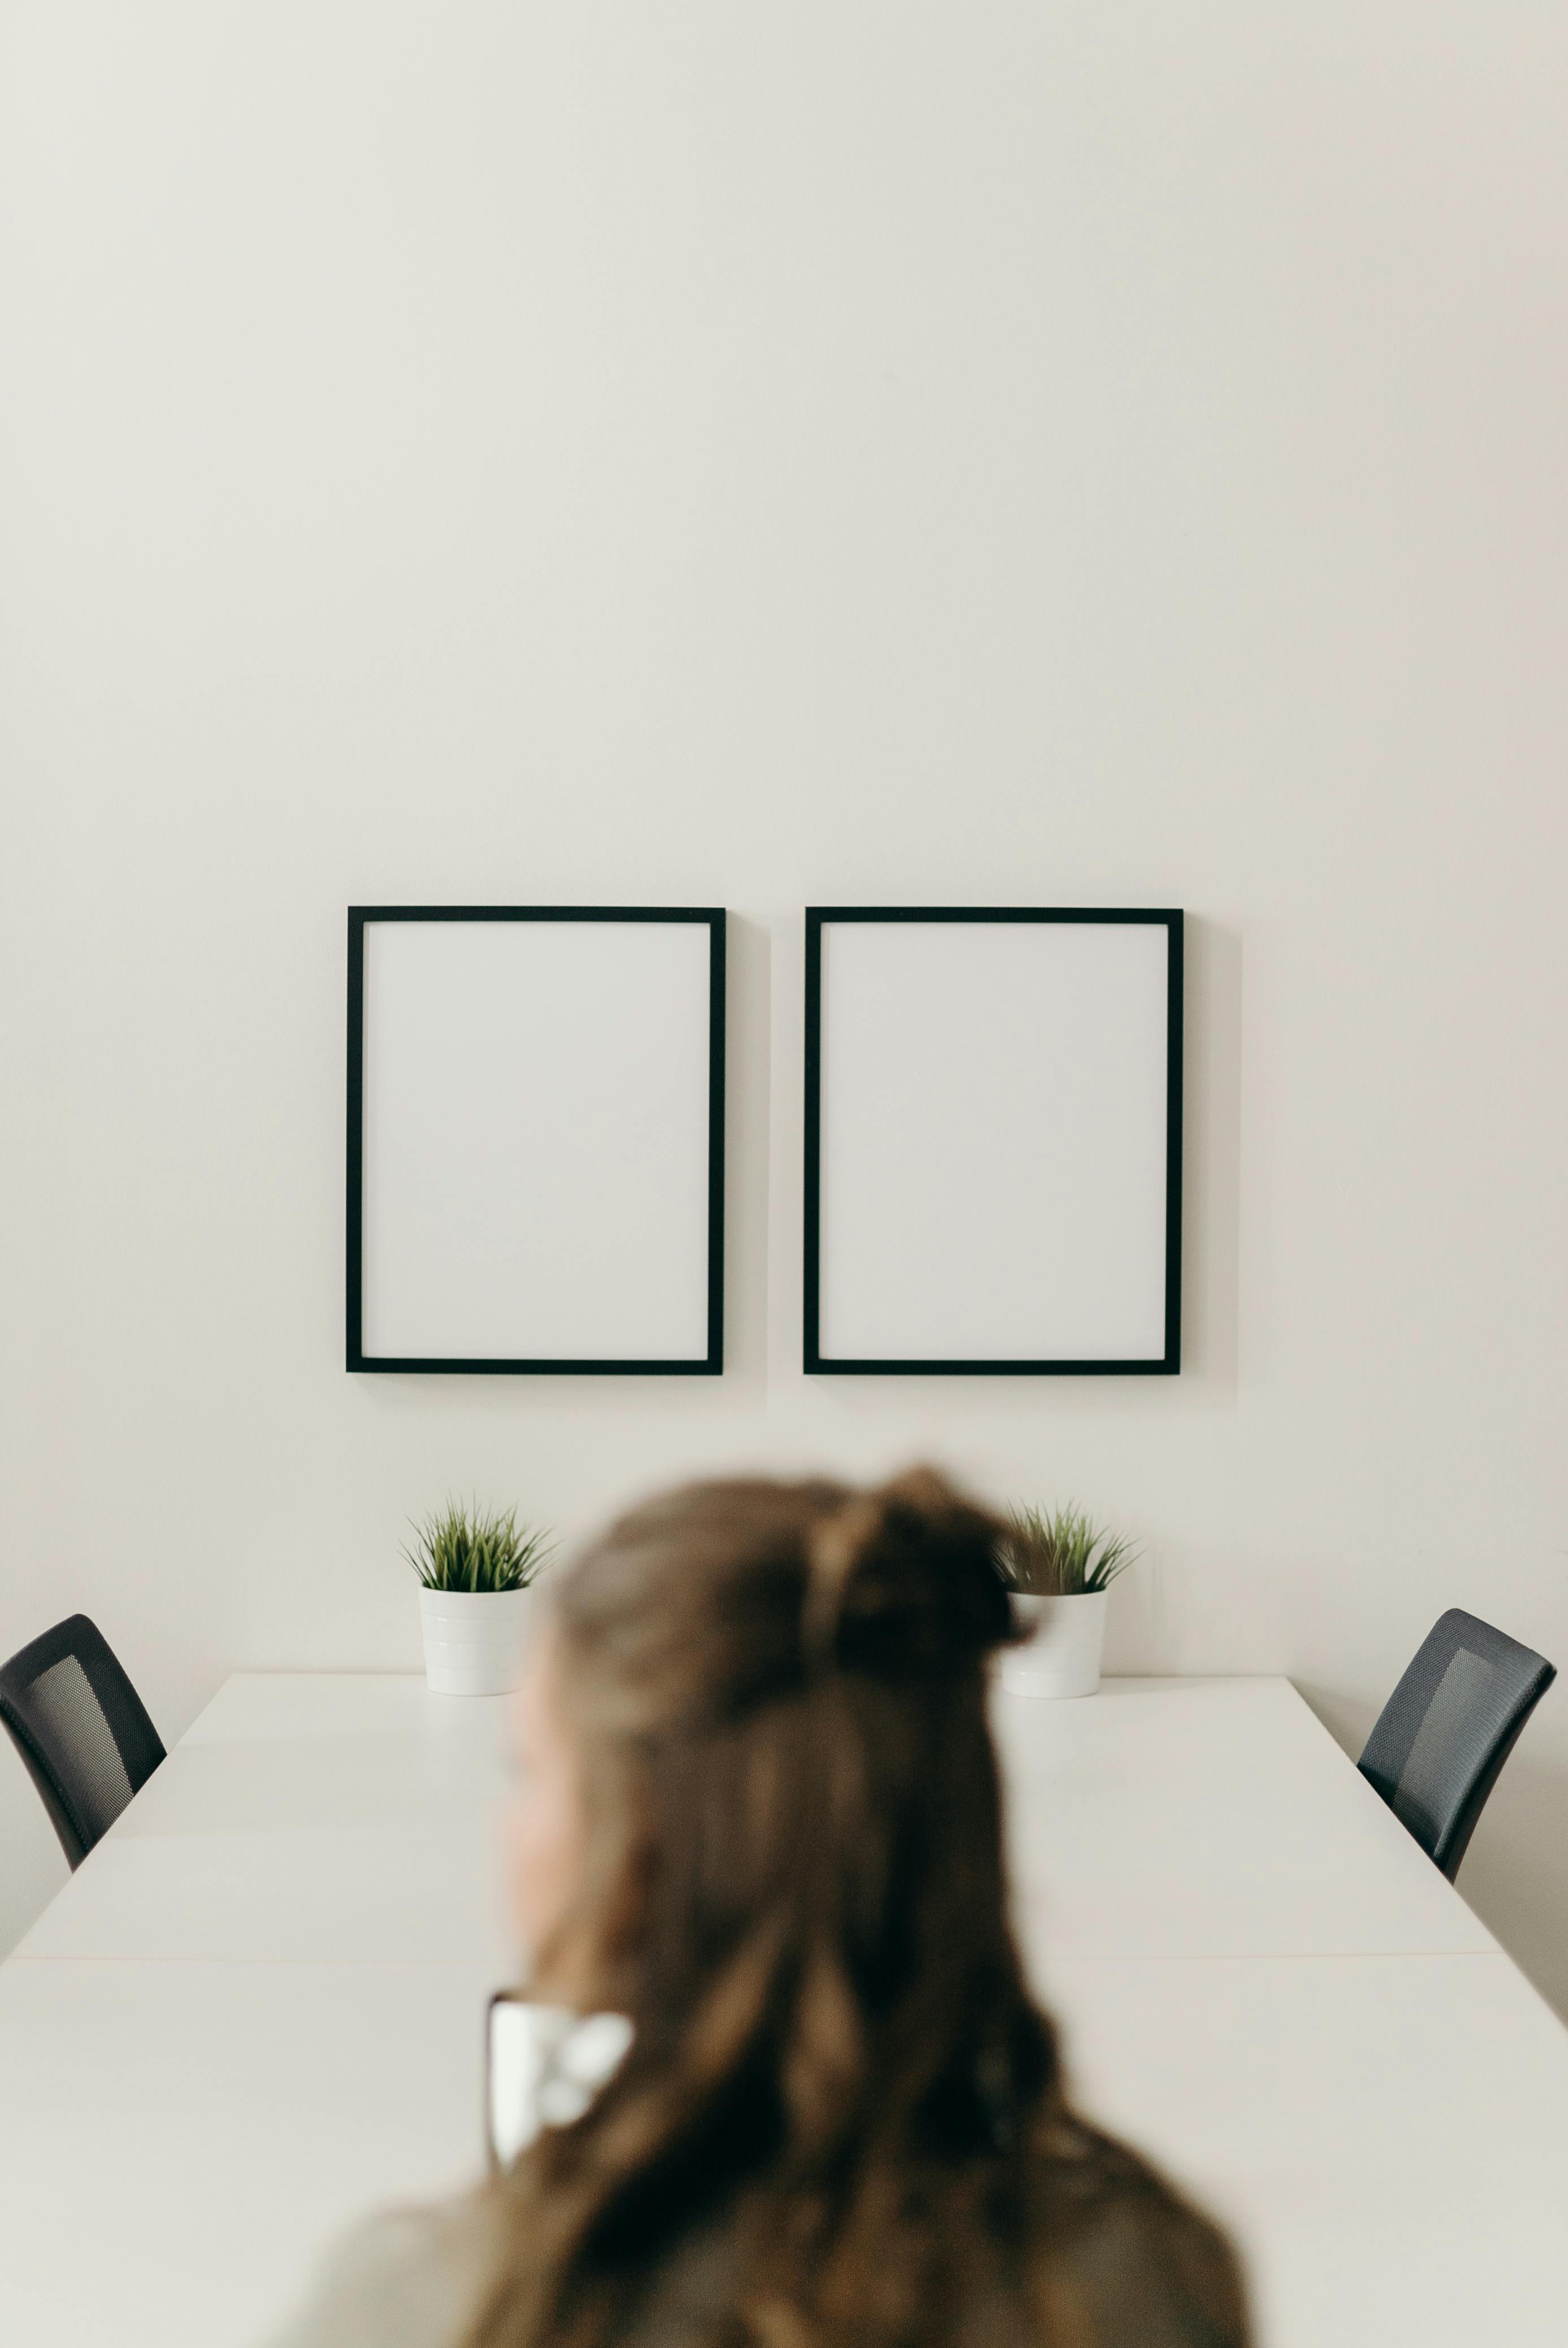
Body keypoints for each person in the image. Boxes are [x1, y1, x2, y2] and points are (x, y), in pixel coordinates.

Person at [265, 1469, 1250, 2348]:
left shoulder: (429, 2305)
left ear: (634, 1862)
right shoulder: (1146, 2279)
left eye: (528, 1771)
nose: (507, 1824)